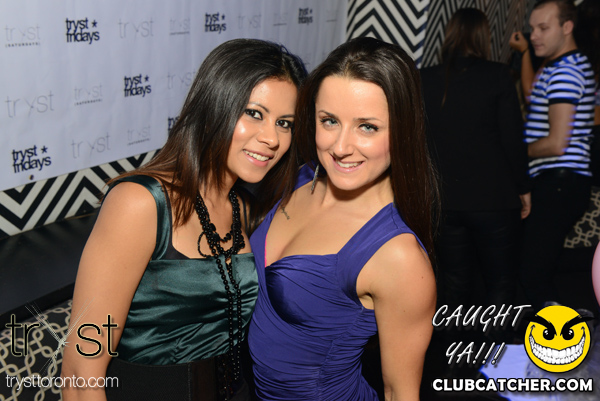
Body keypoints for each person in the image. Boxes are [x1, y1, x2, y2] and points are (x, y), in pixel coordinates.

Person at [60, 38, 306, 401]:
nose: (272, 138)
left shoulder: (247, 210)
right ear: (215, 106)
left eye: (284, 123)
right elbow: (80, 373)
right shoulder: (139, 204)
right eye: (254, 113)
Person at [247, 37, 438, 400]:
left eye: (367, 127)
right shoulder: (301, 177)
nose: (340, 147)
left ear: (402, 131)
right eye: (329, 121)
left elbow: (400, 392)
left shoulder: (398, 256)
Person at [420, 8, 530, 344]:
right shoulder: (497, 75)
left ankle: (452, 353)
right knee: (499, 279)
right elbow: (512, 139)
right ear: (484, 37)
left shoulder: (425, 78)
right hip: (493, 199)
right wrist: (523, 188)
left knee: (454, 280)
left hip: (445, 200)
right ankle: (495, 351)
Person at [518, 0, 596, 310]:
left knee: (533, 273)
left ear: (567, 27)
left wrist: (515, 153)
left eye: (543, 28)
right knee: (536, 265)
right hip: (560, 182)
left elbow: (556, 144)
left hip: (560, 182)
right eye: (532, 28)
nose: (534, 35)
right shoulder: (561, 66)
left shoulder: (566, 71)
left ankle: (566, 333)